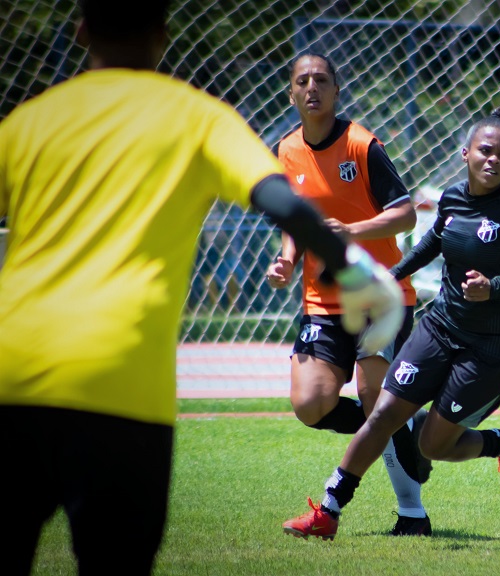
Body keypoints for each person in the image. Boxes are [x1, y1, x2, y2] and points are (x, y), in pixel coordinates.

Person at [0, 2, 403, 574]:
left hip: (11, 380)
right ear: (164, 34)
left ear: (81, 29)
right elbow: (283, 203)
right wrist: (356, 271)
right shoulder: (197, 117)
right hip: (123, 385)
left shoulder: (27, 121)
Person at [282, 104, 500, 534]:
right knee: (384, 412)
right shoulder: (451, 198)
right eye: (485, 150)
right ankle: (328, 512)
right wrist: (388, 278)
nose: (493, 160)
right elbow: (432, 242)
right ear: (464, 153)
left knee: (432, 444)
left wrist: (496, 287)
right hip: (442, 326)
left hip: (493, 348)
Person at [268, 53, 432, 539]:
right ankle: (405, 430)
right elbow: (296, 222)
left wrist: (353, 231)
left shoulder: (363, 145)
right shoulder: (286, 150)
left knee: (371, 395)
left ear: (336, 92)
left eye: (322, 79)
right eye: (303, 80)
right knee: (310, 404)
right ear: (292, 94)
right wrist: (287, 258)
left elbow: (406, 215)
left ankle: (412, 516)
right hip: (322, 300)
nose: (312, 87)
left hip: (380, 297)